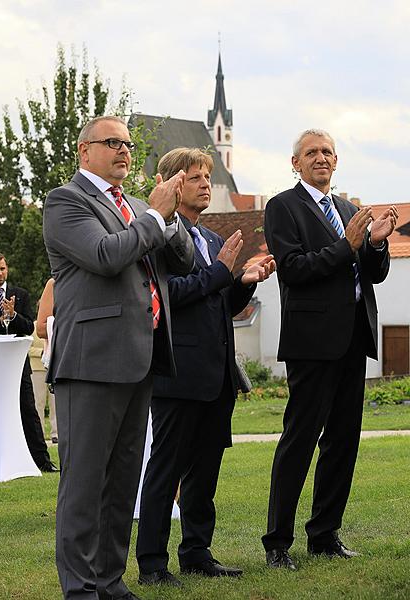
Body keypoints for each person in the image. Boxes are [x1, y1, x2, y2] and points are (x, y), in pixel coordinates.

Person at [43, 115, 194, 600]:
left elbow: (184, 261)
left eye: (129, 144)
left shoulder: (135, 205)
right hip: (90, 361)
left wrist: (166, 218)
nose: (125, 151)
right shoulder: (66, 202)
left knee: (122, 482)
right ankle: (80, 587)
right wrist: (153, 217)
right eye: (113, 143)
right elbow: (107, 255)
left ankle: (109, 580)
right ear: (84, 151)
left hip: (140, 356)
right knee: (85, 484)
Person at [136, 148, 276, 587]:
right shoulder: (157, 236)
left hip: (216, 375)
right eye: (195, 177)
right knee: (166, 470)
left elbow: (218, 302)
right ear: (171, 183)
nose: (203, 184)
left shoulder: (213, 239)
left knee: (205, 470)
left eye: (205, 176)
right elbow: (170, 296)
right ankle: (153, 565)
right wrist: (221, 274)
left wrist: (242, 284)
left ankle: (196, 551)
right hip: (177, 372)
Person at [262, 129, 398, 570]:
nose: (320, 158)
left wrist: (376, 243)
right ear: (295, 163)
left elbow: (372, 275)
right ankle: (277, 543)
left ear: (336, 162)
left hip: (353, 338)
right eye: (311, 153)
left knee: (343, 441)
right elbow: (295, 270)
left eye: (327, 152)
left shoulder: (348, 210)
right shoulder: (283, 207)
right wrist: (348, 245)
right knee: (300, 440)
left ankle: (324, 534)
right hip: (312, 342)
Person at [0, 252, 58, 472]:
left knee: (28, 410)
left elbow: (29, 328)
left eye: (3, 268)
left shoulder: (20, 295)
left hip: (17, 367)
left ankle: (42, 461)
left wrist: (13, 316)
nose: (0, 273)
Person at [35, 277, 58, 443]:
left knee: (55, 406)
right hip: (40, 367)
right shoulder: (54, 283)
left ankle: (56, 434)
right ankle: (41, 435)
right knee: (39, 403)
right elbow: (40, 330)